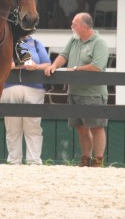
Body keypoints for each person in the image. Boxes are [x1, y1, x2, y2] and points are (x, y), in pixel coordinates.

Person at [44, 13, 109, 167]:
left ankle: (98, 160)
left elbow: (97, 66)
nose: (72, 26)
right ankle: (85, 158)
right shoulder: (74, 40)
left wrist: (74, 69)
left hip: (93, 94)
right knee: (81, 128)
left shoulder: (99, 43)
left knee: (96, 127)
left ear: (85, 26)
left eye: (74, 24)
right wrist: (54, 66)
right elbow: (63, 55)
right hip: (74, 92)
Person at [0, 34, 51, 165]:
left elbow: (47, 64)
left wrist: (35, 67)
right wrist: (18, 65)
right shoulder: (5, 41)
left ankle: (34, 161)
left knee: (33, 126)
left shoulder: (36, 43)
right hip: (9, 87)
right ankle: (14, 160)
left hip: (34, 88)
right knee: (12, 128)